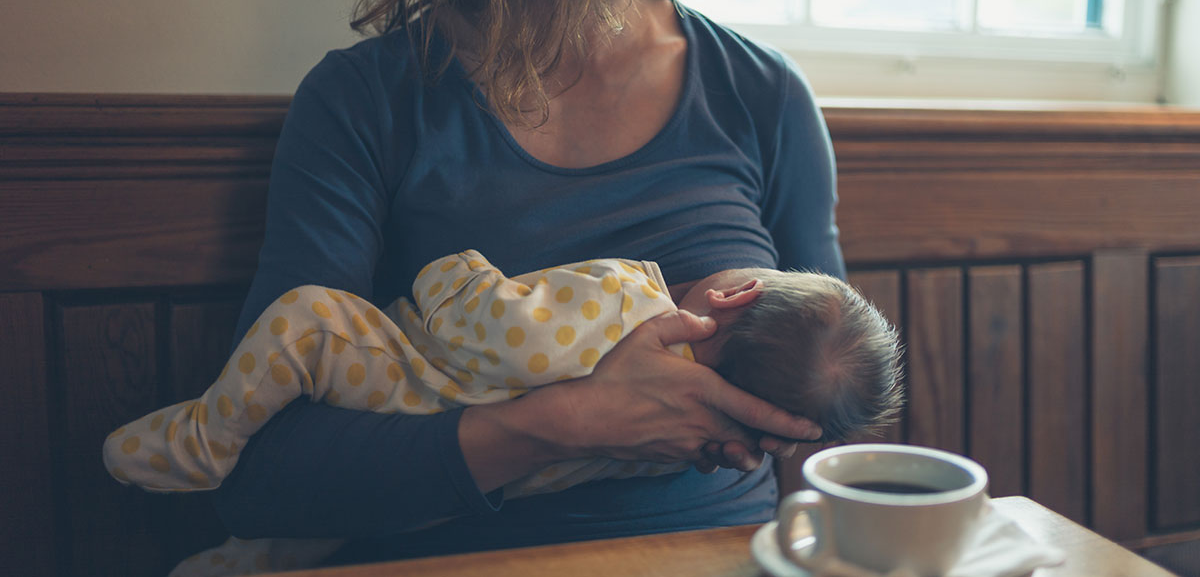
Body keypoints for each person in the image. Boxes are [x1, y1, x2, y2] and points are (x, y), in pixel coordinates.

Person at [207, 0, 846, 568]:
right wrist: (573, 423)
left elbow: (827, 404)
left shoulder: (763, 94)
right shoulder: (366, 100)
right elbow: (263, 478)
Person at [105, 249, 900, 575]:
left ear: (732, 293)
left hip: (395, 383)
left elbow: (481, 322)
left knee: (305, 320)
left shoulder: (629, 295)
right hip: (441, 501)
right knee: (299, 539)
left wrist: (456, 270)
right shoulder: (680, 441)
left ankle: (203, 438)